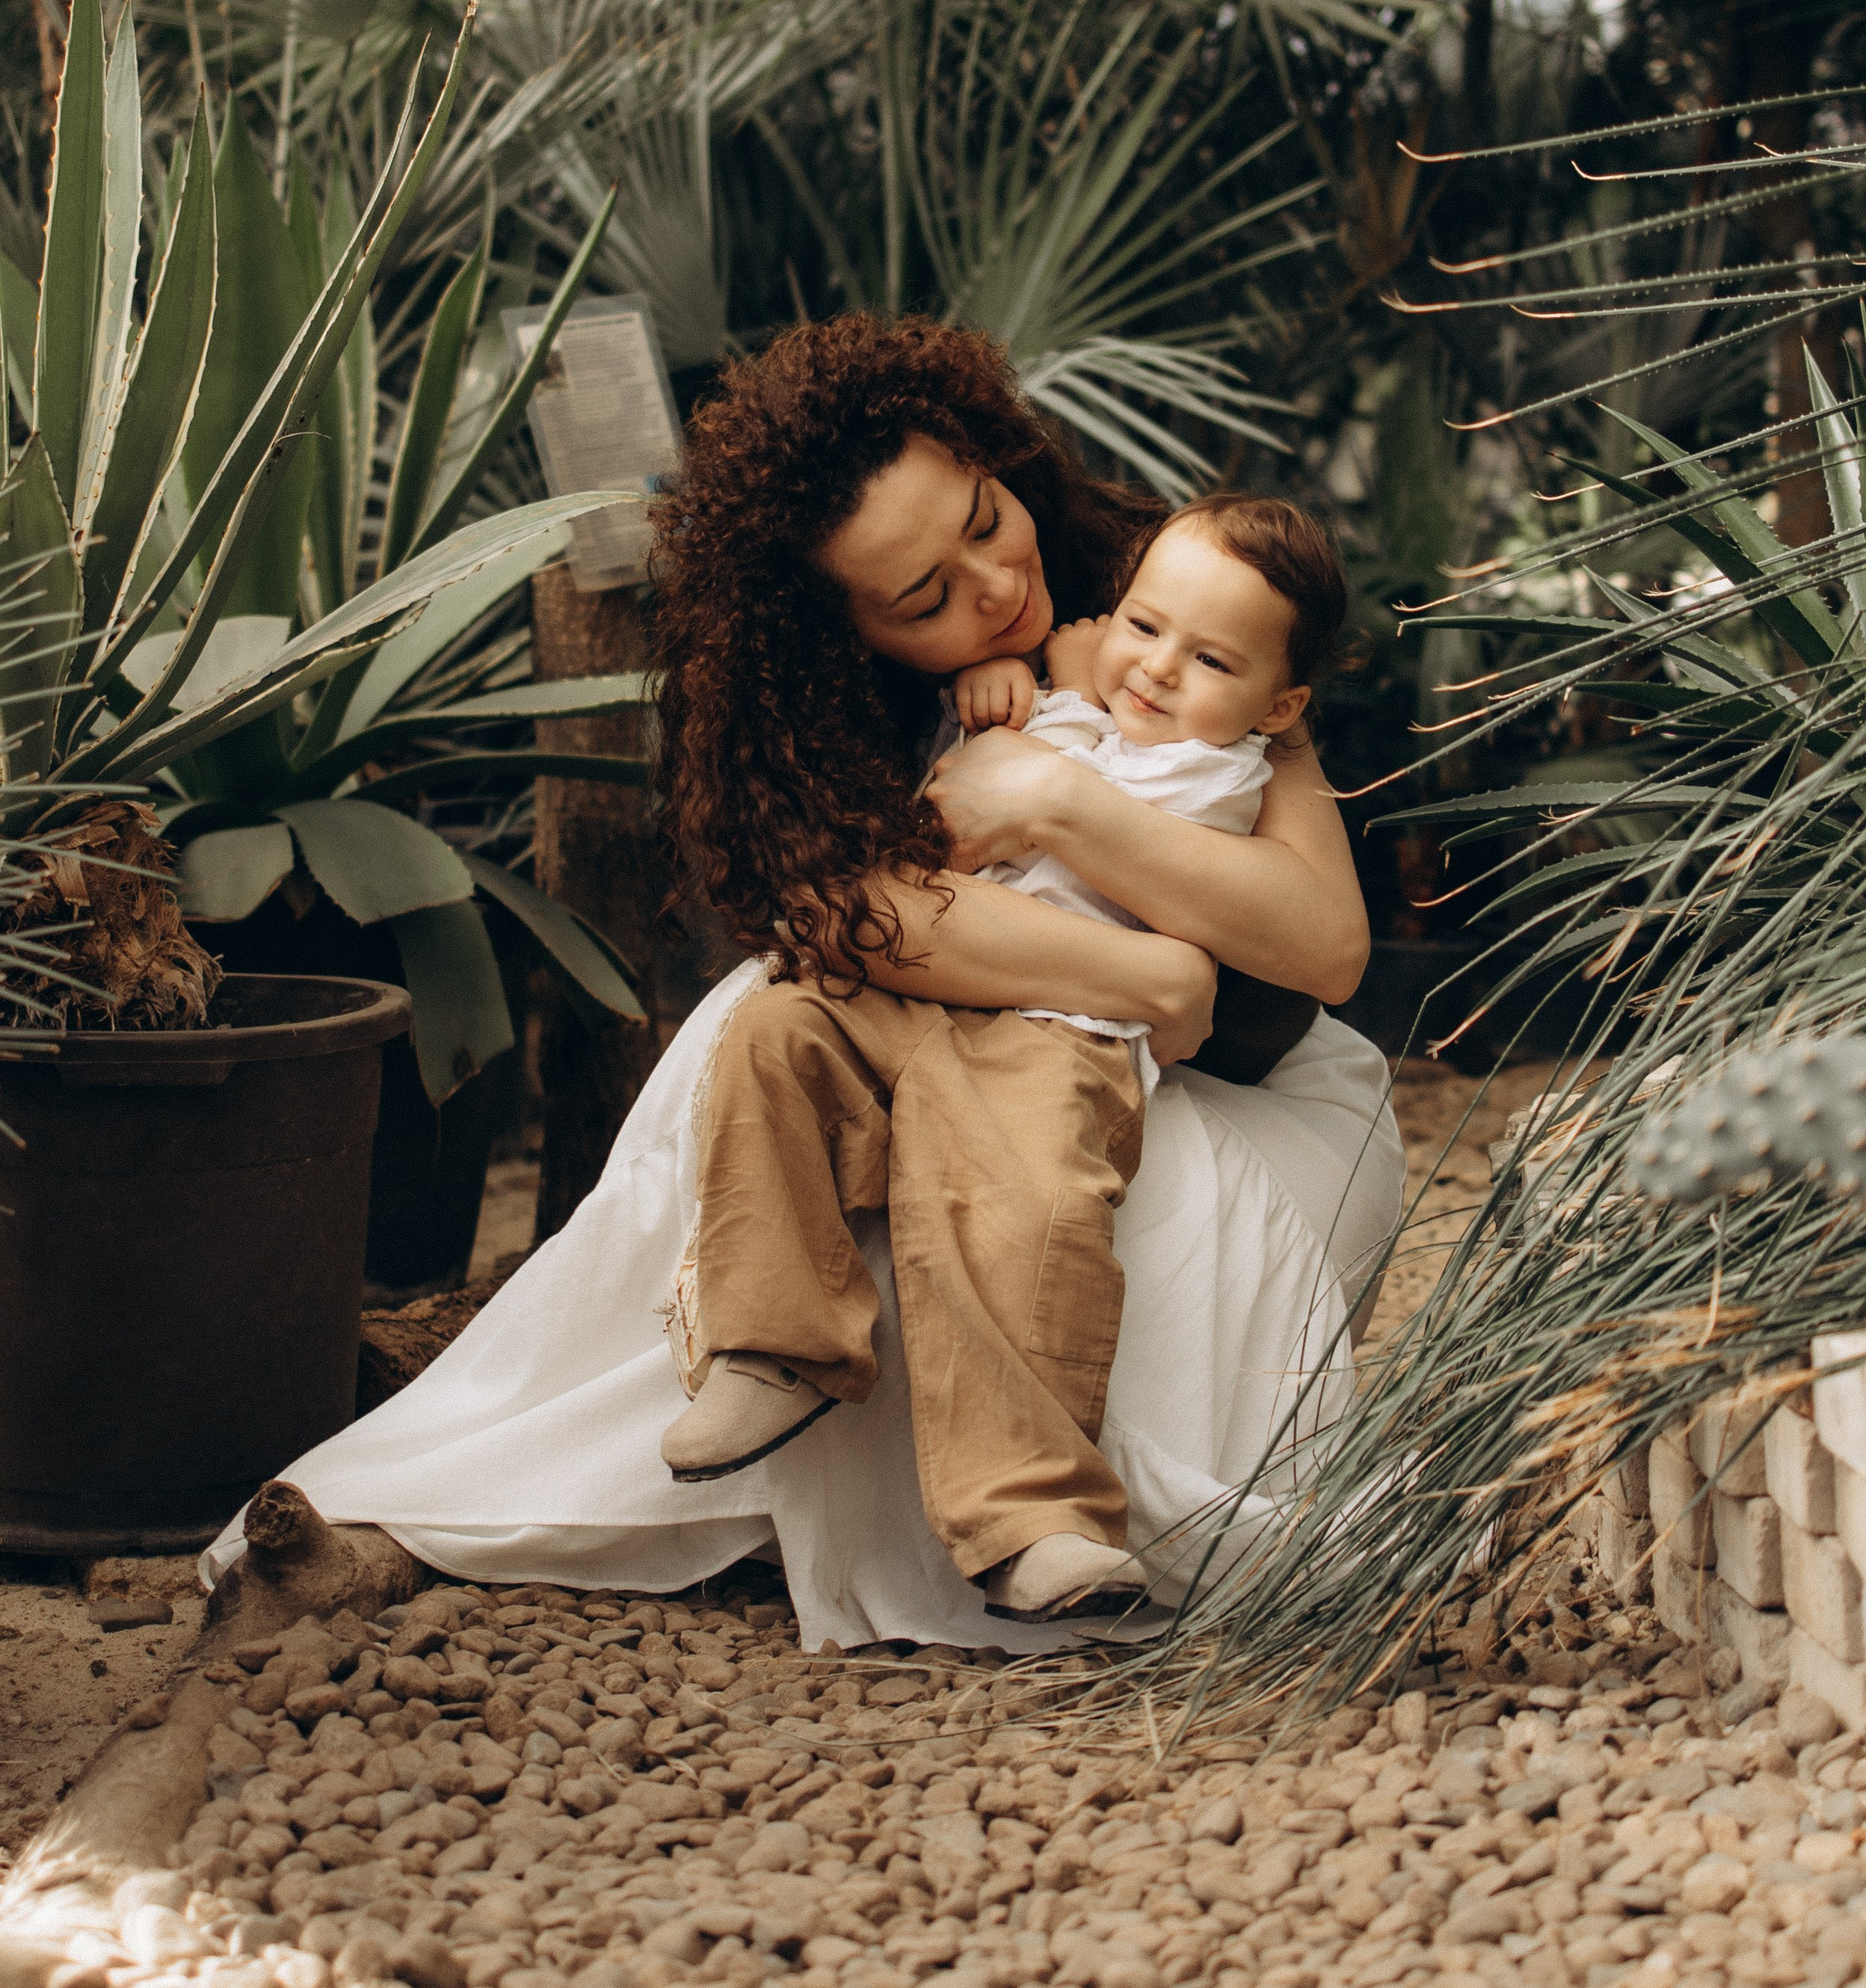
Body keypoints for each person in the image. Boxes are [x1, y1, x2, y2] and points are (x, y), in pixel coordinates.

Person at [203, 318, 1404, 1654]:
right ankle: (766, 1357)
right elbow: (871, 927)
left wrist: (1058, 797)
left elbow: (1324, 942)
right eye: (923, 598)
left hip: (1209, 1079)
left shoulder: (1155, 607)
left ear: (991, 456)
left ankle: (1034, 1511)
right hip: (1027, 1003)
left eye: (985, 520)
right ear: (838, 626)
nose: (996, 587)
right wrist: (1157, 968)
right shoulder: (821, 712)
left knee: (1034, 1163)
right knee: (767, 1041)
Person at [945, 491, 1345, 1091]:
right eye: (1141, 625)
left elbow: (1057, 805)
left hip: (1089, 1032)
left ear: (1280, 708)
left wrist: (1071, 695)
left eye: (1210, 659)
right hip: (1014, 1001)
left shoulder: (1217, 767)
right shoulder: (1162, 710)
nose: (1159, 666)